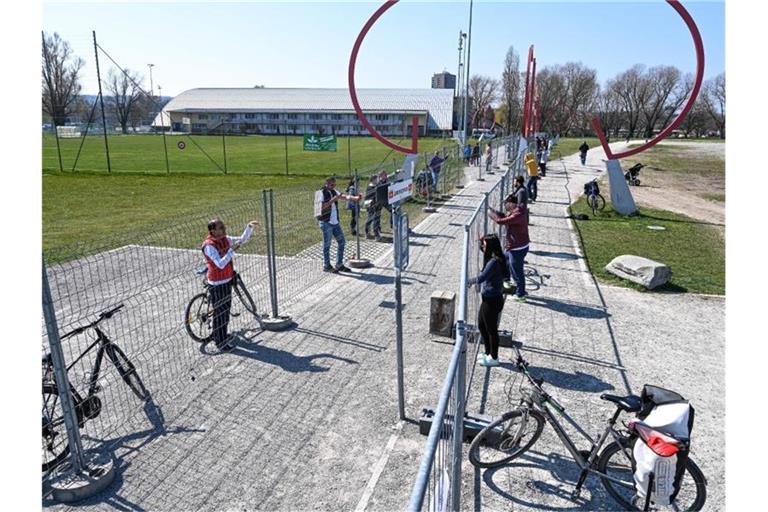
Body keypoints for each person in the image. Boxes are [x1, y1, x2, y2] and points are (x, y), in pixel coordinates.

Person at [201, 218, 259, 350]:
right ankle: (220, 342)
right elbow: (220, 264)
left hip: (226, 280)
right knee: (220, 313)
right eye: (220, 228)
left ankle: (221, 335)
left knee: (225, 310)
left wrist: (249, 227)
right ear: (212, 231)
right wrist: (231, 251)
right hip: (217, 283)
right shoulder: (209, 246)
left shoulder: (225, 239)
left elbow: (241, 239)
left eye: (224, 226)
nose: (224, 229)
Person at [468, 234, 509, 367]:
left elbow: (481, 278)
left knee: (491, 330)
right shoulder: (496, 258)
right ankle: (488, 353)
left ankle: (494, 357)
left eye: (484, 245)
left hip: (492, 301)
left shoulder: (493, 262)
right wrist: (482, 241)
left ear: (490, 247)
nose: (482, 247)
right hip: (489, 299)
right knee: (482, 326)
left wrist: (469, 281)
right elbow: (485, 249)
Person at [488, 194, 530, 302]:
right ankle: (507, 280)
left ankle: (521, 295)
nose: (504, 205)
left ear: (511, 204)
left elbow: (500, 221)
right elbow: (503, 216)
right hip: (517, 246)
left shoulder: (518, 215)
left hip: (517, 248)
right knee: (503, 259)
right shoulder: (516, 211)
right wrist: (494, 211)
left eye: (505, 203)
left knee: (517, 271)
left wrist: (491, 214)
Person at [315, 176, 360, 272]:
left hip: (335, 223)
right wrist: (333, 200)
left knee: (342, 242)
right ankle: (326, 265)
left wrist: (355, 198)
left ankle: (339, 264)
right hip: (326, 222)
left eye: (335, 184)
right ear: (326, 183)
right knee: (327, 245)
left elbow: (344, 196)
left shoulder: (334, 191)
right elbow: (321, 207)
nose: (334, 186)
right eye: (332, 184)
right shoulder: (320, 193)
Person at [363, 175, 380, 240]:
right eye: (376, 179)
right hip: (372, 206)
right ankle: (371, 234)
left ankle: (375, 233)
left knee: (376, 220)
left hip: (377, 206)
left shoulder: (376, 186)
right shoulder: (370, 188)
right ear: (373, 179)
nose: (377, 180)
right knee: (371, 220)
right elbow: (369, 198)